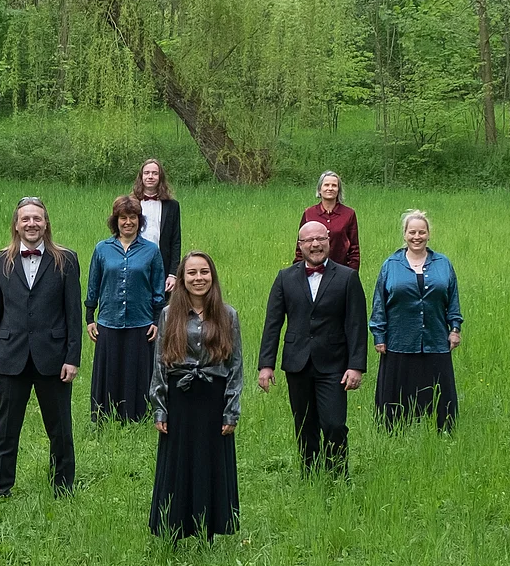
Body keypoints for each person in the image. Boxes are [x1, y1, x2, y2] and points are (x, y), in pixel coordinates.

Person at [0, 198, 83, 497]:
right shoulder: (0, 261)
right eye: (25, 219)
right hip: (10, 356)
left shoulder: (66, 259)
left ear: (46, 223)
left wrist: (72, 357)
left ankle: (63, 486)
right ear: (16, 224)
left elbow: (73, 313)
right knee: (5, 429)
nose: (31, 224)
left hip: (53, 357)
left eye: (37, 218)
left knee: (60, 428)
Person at [256, 221, 368, 475]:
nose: (315, 245)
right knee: (305, 425)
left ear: (329, 241)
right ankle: (310, 476)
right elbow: (273, 323)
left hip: (334, 364)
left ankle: (337, 476)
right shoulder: (285, 278)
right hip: (297, 363)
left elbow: (356, 324)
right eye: (309, 240)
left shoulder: (347, 277)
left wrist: (356, 366)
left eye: (320, 239)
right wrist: (266, 364)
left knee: (334, 424)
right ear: (300, 245)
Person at [148, 252, 243, 541]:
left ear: (212, 276)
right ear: (182, 278)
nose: (198, 278)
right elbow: (160, 362)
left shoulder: (228, 315)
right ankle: (174, 528)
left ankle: (209, 529)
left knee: (210, 462)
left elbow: (235, 366)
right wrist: (160, 407)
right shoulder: (169, 315)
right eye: (191, 273)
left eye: (204, 272)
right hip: (180, 397)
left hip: (213, 398)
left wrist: (231, 411)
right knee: (178, 463)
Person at [370, 210, 463, 433]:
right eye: (412, 232)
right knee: (398, 395)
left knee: (438, 393)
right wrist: (379, 335)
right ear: (404, 234)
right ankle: (394, 432)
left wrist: (455, 329)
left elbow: (453, 300)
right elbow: (379, 302)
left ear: (428, 234)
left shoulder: (443, 263)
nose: (417, 237)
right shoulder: (391, 264)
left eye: (422, 232)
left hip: (435, 339)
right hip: (399, 341)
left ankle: (441, 431)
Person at [87, 195, 165, 423]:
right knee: (109, 371)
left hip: (141, 322)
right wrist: (90, 317)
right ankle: (104, 417)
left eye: (133, 217)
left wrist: (156, 320)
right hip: (108, 320)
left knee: (136, 372)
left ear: (139, 220)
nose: (128, 222)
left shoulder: (151, 251)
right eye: (123, 217)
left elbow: (158, 288)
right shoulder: (102, 249)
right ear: (116, 220)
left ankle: (137, 417)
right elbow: (93, 284)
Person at [132, 159, 183, 296]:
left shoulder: (172, 206)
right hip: (135, 262)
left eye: (155, 173)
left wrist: (173, 274)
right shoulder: (131, 203)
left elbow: (176, 241)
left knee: (161, 303)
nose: (150, 176)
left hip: (162, 264)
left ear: (160, 177)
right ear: (141, 176)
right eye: (146, 173)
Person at [297, 171, 360, 271]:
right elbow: (300, 247)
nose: (330, 188)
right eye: (326, 185)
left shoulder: (349, 214)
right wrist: (298, 273)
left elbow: (354, 250)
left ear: (338, 190)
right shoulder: (309, 213)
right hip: (313, 270)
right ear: (320, 189)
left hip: (340, 271)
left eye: (334, 185)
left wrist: (352, 274)